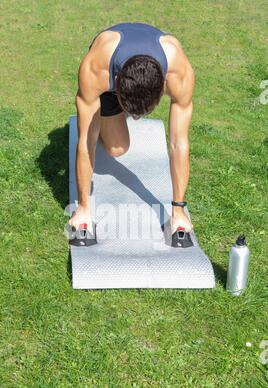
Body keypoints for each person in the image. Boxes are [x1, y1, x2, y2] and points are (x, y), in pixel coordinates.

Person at [69, 22, 195, 235]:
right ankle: (109, 112)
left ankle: (119, 113)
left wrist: (179, 209)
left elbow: (178, 142)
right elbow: (86, 141)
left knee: (121, 142)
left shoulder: (178, 72)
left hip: (143, 72)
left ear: (163, 87)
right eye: (133, 112)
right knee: (116, 148)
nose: (137, 119)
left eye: (142, 114)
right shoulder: (96, 68)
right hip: (111, 66)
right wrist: (83, 208)